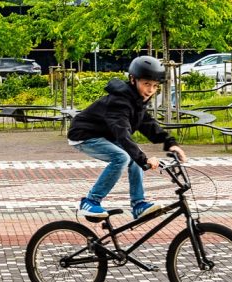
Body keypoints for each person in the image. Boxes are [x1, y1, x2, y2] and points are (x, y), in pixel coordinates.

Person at [67, 56, 188, 219]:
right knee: (122, 157)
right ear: (133, 79)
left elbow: (148, 123)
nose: (151, 90)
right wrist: (143, 159)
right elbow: (122, 133)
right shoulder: (120, 101)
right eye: (146, 84)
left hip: (106, 134)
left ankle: (138, 204)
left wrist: (170, 143)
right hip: (84, 134)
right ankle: (90, 201)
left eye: (154, 86)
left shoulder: (137, 101)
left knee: (134, 155)